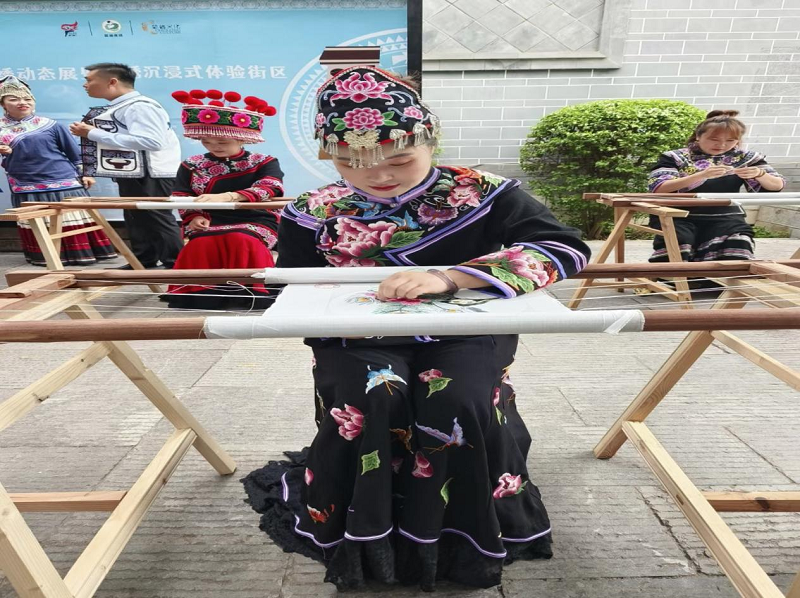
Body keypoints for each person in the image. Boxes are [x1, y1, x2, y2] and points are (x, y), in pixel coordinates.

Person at [242, 66, 591, 591]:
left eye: (400, 159)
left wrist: (451, 277)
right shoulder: (313, 211)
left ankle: (459, 535)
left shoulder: (483, 192)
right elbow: (292, 284)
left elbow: (564, 248)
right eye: (350, 163)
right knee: (373, 396)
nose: (379, 176)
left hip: (467, 330)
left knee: (457, 398)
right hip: (357, 336)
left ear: (429, 139)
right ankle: (368, 534)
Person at [163, 88, 283, 310]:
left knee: (241, 238)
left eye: (222, 141)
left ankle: (250, 293)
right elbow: (182, 193)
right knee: (201, 243)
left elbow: (270, 187)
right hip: (210, 219)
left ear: (241, 138)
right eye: (206, 142)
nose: (214, 147)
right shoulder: (192, 164)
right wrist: (194, 216)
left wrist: (228, 196)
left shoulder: (264, 161)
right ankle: (202, 296)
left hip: (256, 217)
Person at [69, 62, 183, 269]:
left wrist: (93, 133)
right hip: (135, 172)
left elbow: (152, 142)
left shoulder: (140, 106)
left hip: (152, 172)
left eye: (89, 80)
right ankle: (143, 260)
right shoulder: (124, 106)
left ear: (112, 82)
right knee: (135, 217)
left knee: (156, 217)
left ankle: (177, 263)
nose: (85, 85)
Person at [0, 76, 117, 266]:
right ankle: (50, 258)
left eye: (27, 99)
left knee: (72, 219)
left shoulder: (50, 124)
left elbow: (73, 152)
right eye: (14, 99)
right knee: (38, 222)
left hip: (64, 182)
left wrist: (86, 173)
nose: (22, 102)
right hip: (25, 185)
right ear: (3, 104)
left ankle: (83, 255)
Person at [647, 109, 785, 263]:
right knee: (680, 239)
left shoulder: (746, 158)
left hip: (725, 215)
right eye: (714, 139)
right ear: (698, 136)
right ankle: (676, 276)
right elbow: (659, 187)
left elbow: (776, 185)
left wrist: (760, 174)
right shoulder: (675, 157)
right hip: (678, 214)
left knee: (738, 239)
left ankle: (723, 276)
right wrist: (701, 175)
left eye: (731, 140)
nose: (721, 145)